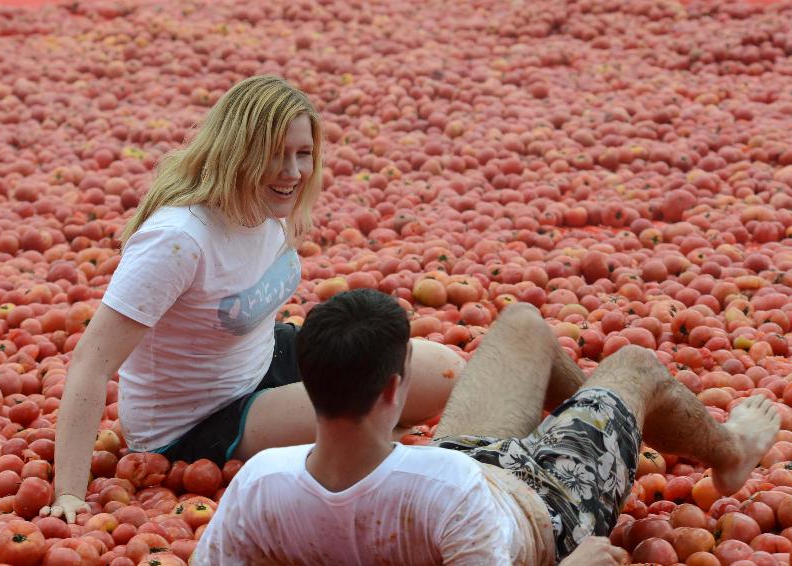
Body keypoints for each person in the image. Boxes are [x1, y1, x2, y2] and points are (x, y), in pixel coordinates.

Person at [40, 76, 465, 523]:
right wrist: (69, 491)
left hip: (263, 360)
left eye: (303, 154)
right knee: (369, 421)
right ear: (237, 151)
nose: (293, 171)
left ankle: (350, 437)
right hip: (197, 419)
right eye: (275, 155)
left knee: (441, 371)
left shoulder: (270, 209)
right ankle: (363, 446)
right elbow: (91, 361)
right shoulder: (178, 240)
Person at [193, 289, 780, 565]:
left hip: (469, 462)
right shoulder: (443, 490)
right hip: (551, 506)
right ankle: (728, 452)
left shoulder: (258, 486)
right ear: (397, 387)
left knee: (524, 323)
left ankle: (610, 427)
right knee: (636, 366)